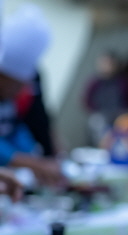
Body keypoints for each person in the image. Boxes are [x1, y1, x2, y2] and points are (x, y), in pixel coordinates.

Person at [0, 5, 63, 187]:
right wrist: (29, 162)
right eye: (14, 84)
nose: (18, 90)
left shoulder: (13, 100)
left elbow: (14, 130)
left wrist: (38, 157)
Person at [83, 51, 128, 146]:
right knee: (97, 123)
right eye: (103, 63)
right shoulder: (94, 82)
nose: (106, 66)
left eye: (109, 63)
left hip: (119, 113)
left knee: (126, 124)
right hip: (101, 114)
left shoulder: (123, 82)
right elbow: (86, 101)